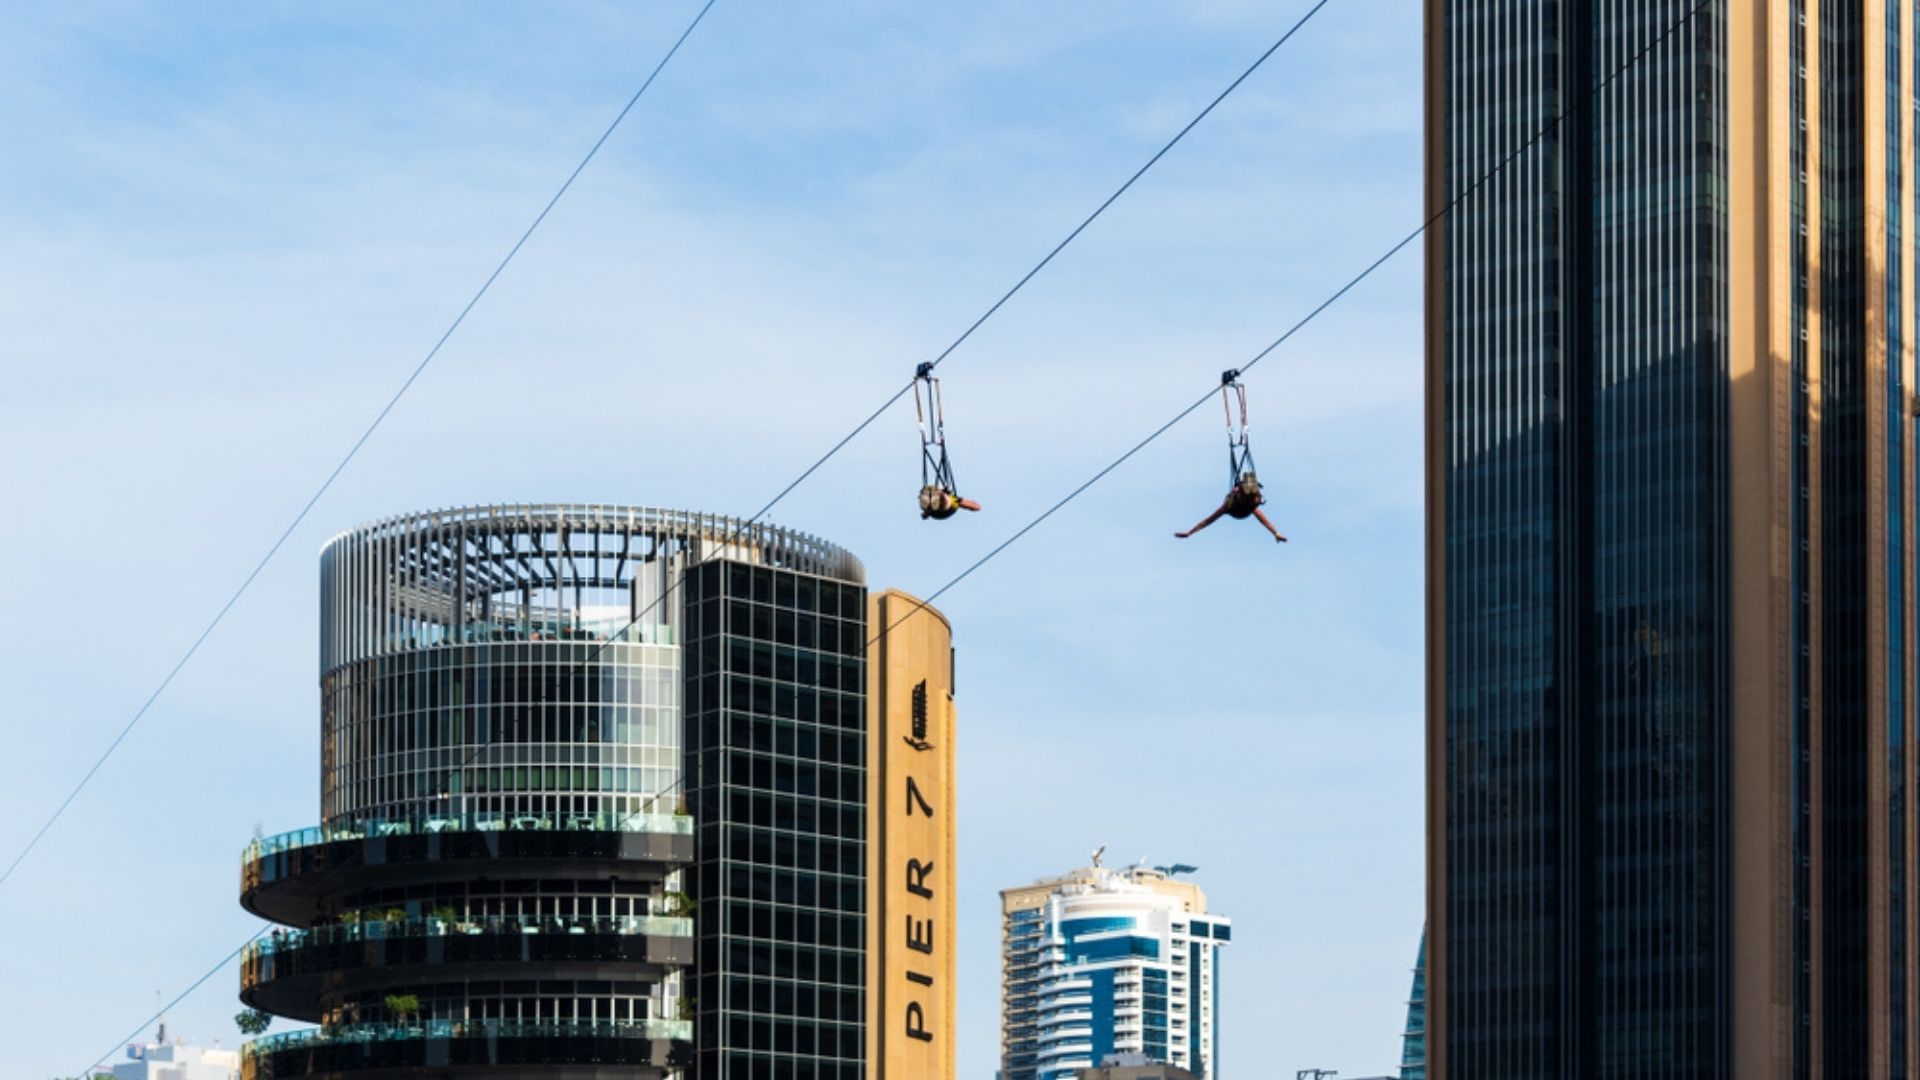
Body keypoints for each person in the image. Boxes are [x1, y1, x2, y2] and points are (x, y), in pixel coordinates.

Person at [1175, 471, 1286, 542]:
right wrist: (1189, 532)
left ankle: (1248, 488)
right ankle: (1247, 488)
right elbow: (1207, 521)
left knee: (1251, 493)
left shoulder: (1248, 504)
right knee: (1249, 486)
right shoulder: (1235, 505)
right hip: (1238, 508)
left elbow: (1265, 522)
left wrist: (1276, 533)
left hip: (1240, 508)